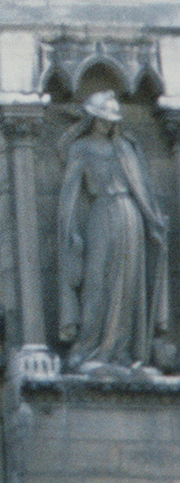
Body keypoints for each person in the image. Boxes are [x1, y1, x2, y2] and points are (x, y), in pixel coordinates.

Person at [56, 91, 170, 370]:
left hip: (130, 216)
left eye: (111, 119)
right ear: (92, 119)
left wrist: (153, 221)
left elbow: (141, 189)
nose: (108, 124)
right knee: (95, 282)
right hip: (100, 214)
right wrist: (71, 231)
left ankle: (121, 350)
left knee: (127, 284)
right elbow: (70, 194)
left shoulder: (125, 149)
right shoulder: (80, 148)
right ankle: (88, 347)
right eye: (102, 119)